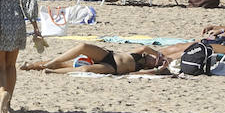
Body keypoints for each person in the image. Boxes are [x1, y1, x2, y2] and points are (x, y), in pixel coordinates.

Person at [20, 43, 170, 76]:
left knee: (84, 69)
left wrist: (157, 69)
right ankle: (49, 63)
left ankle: (52, 71)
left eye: (154, 61)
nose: (153, 60)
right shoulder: (140, 53)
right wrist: (158, 54)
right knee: (83, 46)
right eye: (154, 59)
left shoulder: (140, 69)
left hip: (112, 69)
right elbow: (145, 47)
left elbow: (137, 75)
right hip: (109, 56)